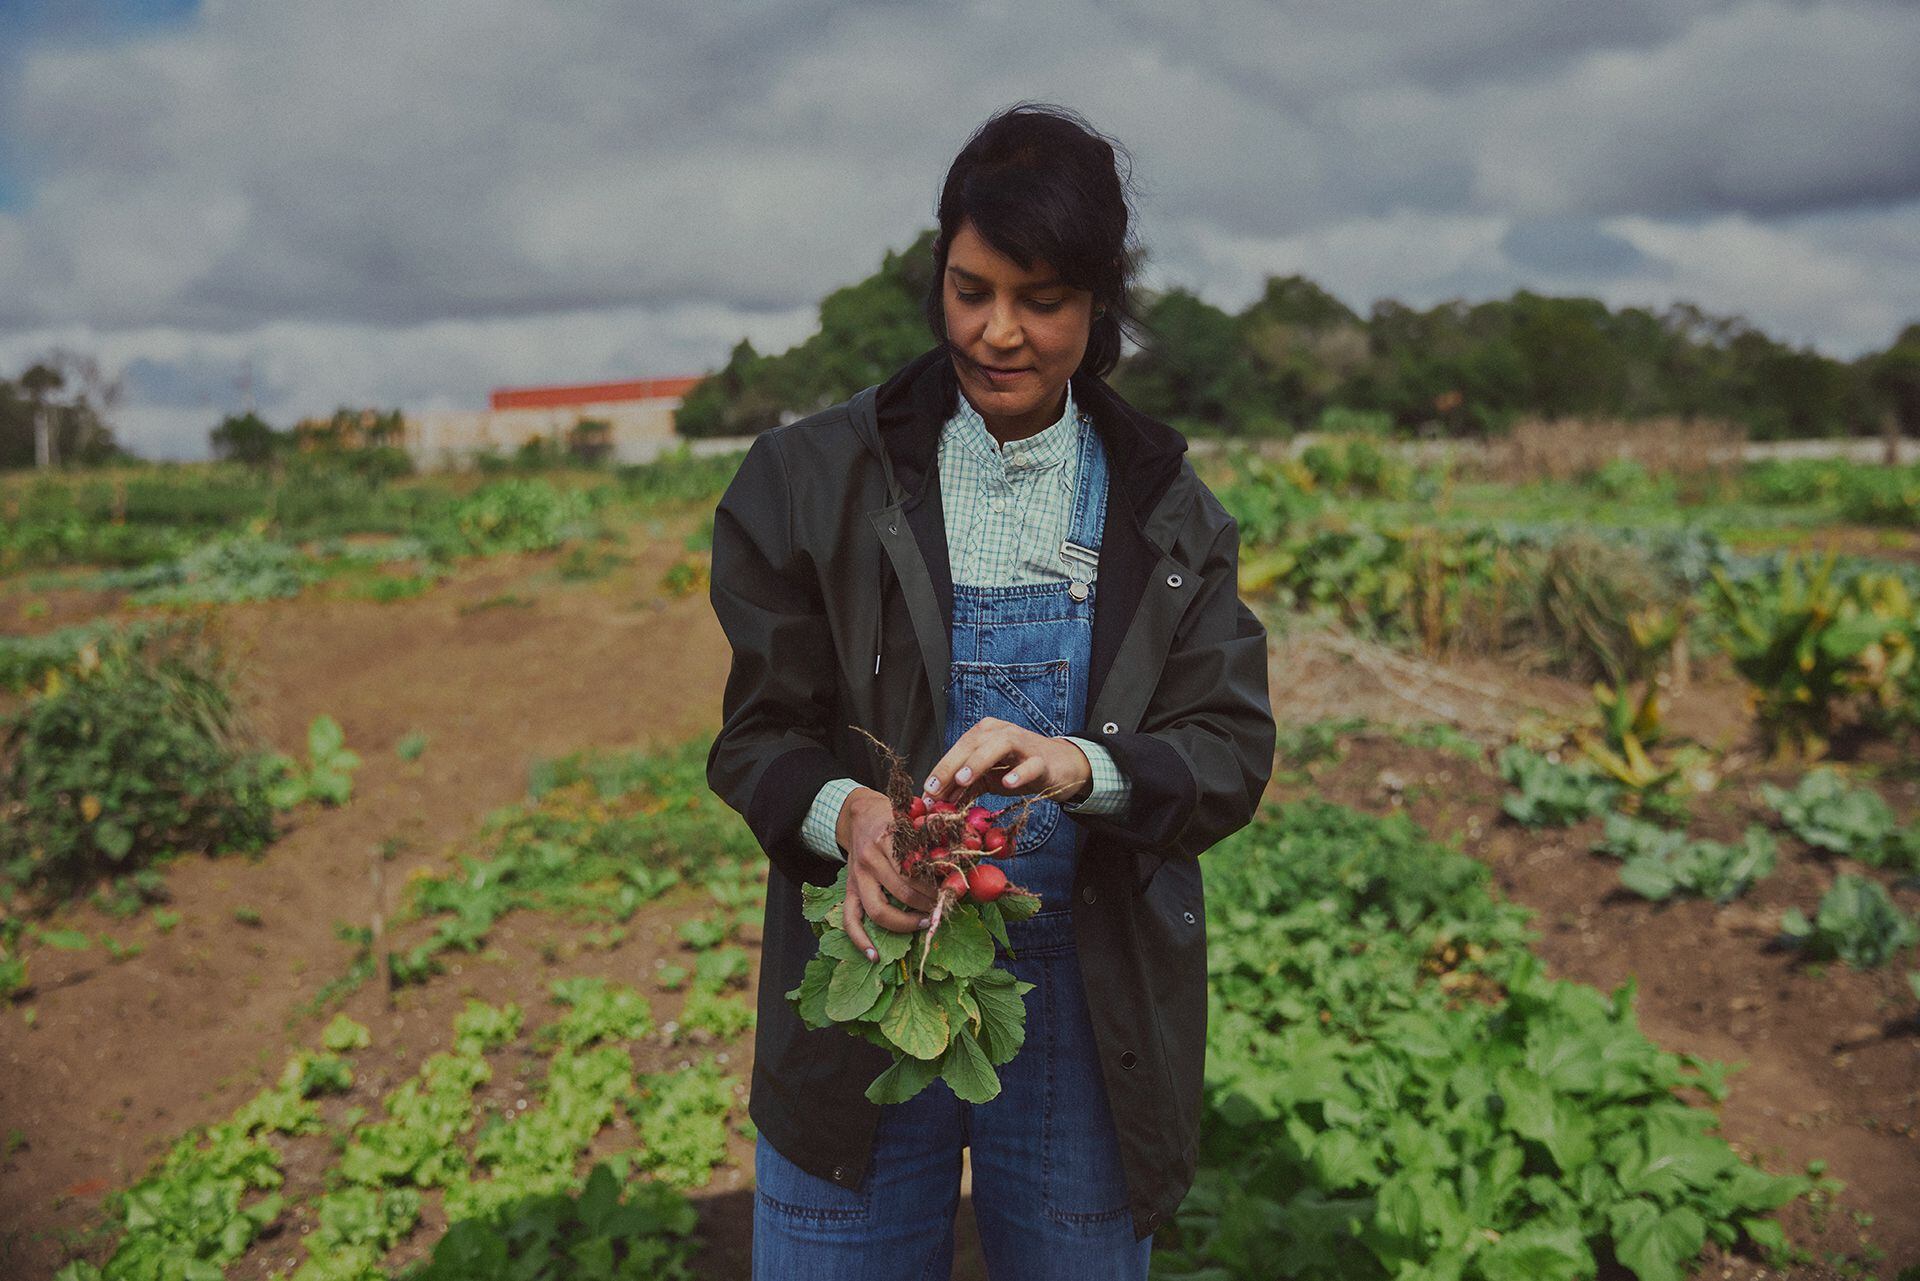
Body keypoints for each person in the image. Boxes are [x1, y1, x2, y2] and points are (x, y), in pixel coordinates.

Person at [706, 102, 1275, 1281]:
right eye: (970, 291)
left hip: (1087, 994)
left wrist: (1084, 766)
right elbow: (760, 738)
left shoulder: (1166, 511)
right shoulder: (809, 482)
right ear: (937, 275)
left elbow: (1228, 747)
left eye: (1043, 301)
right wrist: (852, 817)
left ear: (1100, 303)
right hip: (872, 970)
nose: (998, 332)